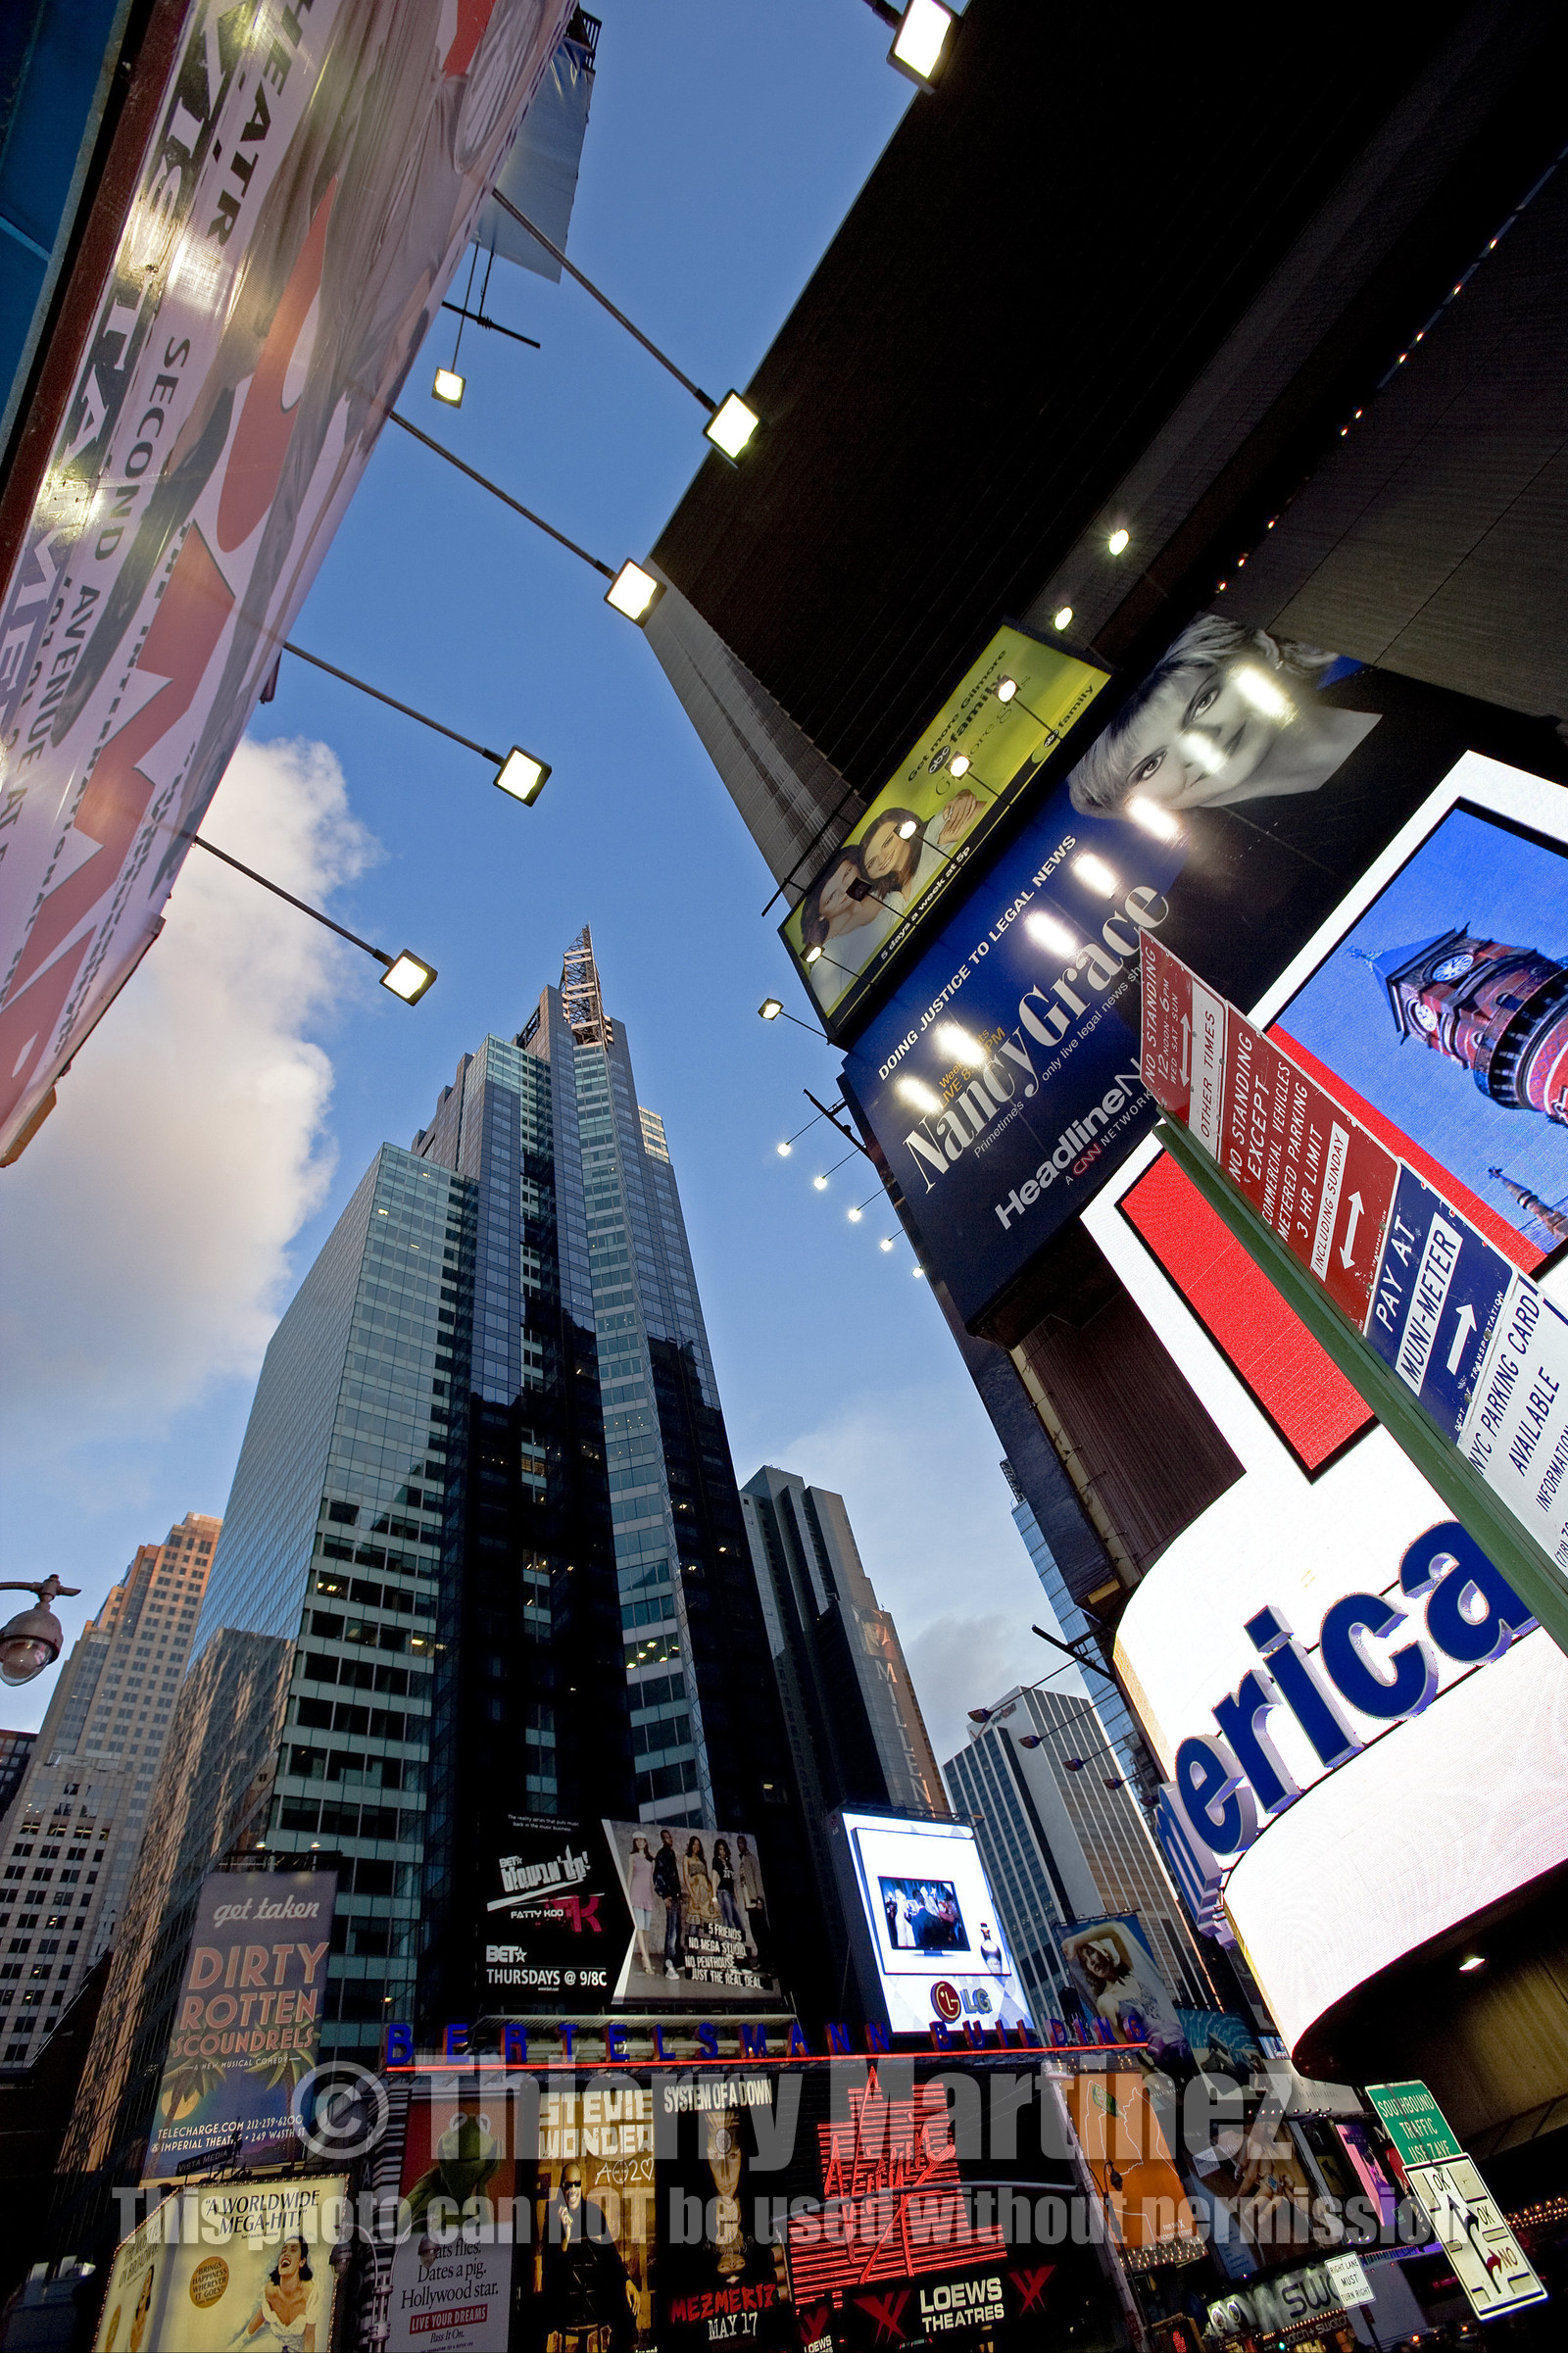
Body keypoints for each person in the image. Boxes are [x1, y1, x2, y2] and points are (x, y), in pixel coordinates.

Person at [1066, 615, 1377, 818]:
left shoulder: (1384, 680)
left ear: (1262, 649)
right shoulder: (1234, 893)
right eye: (1150, 766)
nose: (1196, 746)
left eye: (1203, 702)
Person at [540, 2165, 636, 2352]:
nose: (573, 2190)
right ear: (562, 2186)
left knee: (628, 2312)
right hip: (563, 2302)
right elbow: (551, 2270)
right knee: (530, 2315)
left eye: (577, 2184)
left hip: (596, 2299)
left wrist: (626, 2280)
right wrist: (566, 2239)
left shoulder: (593, 2212)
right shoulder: (552, 2217)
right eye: (569, 2185)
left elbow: (610, 2253)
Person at [798, 849, 896, 1007]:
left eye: (847, 873)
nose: (844, 890)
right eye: (831, 897)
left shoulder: (886, 893)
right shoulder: (828, 957)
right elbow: (835, 1009)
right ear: (820, 915)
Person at [859, 792, 985, 913]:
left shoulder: (932, 834)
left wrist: (962, 802)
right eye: (871, 863)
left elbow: (988, 815)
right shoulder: (891, 902)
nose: (882, 859)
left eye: (887, 843)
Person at [230, 2237, 320, 2351]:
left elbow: (309, 2337)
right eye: (283, 2251)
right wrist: (237, 2345)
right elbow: (262, 2313)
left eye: (293, 2250)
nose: (286, 2254)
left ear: (302, 2261)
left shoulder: (310, 2293)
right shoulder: (271, 2289)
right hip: (274, 2345)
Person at [653, 1828, 683, 1979]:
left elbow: (673, 1876)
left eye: (670, 1836)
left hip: (676, 1896)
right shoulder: (662, 1854)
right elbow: (657, 1876)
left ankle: (675, 1960)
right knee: (671, 1930)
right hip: (670, 1897)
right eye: (666, 1837)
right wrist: (665, 1896)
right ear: (662, 1839)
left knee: (677, 1928)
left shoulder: (671, 1854)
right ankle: (668, 1966)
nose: (669, 1839)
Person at [626, 1835, 657, 1978]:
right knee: (639, 1926)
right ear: (635, 1842)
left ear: (645, 1842)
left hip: (647, 1893)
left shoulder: (651, 1859)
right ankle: (646, 1959)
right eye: (636, 1840)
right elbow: (630, 1875)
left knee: (646, 1929)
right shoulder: (632, 1857)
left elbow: (651, 1879)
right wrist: (627, 1895)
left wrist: (652, 1895)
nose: (639, 1842)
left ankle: (646, 1958)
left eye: (641, 1840)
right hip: (636, 1892)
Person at [736, 1836, 769, 1965]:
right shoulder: (742, 1860)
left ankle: (768, 1961)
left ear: (745, 1843)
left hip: (756, 1902)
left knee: (763, 1932)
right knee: (756, 1932)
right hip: (749, 1903)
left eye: (741, 1842)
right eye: (738, 1843)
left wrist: (760, 1899)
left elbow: (757, 1879)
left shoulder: (751, 1859)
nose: (739, 1845)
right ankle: (762, 1960)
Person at [682, 1836, 718, 1927]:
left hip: (707, 1893)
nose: (696, 1847)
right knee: (694, 1924)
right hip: (695, 1893)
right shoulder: (687, 1857)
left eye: (698, 1845)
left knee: (712, 1925)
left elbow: (707, 1878)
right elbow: (686, 1877)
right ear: (691, 1845)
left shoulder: (703, 1860)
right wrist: (693, 1896)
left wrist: (712, 1897)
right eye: (694, 1844)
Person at [711, 1838, 744, 1936]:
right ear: (717, 1850)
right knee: (728, 1919)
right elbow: (713, 1878)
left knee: (738, 1920)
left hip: (731, 1894)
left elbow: (732, 1881)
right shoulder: (716, 1861)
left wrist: (736, 1897)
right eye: (720, 1849)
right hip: (723, 1892)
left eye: (724, 1849)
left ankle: (739, 1946)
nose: (722, 1851)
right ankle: (728, 1944)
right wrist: (714, 1898)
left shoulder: (728, 1864)